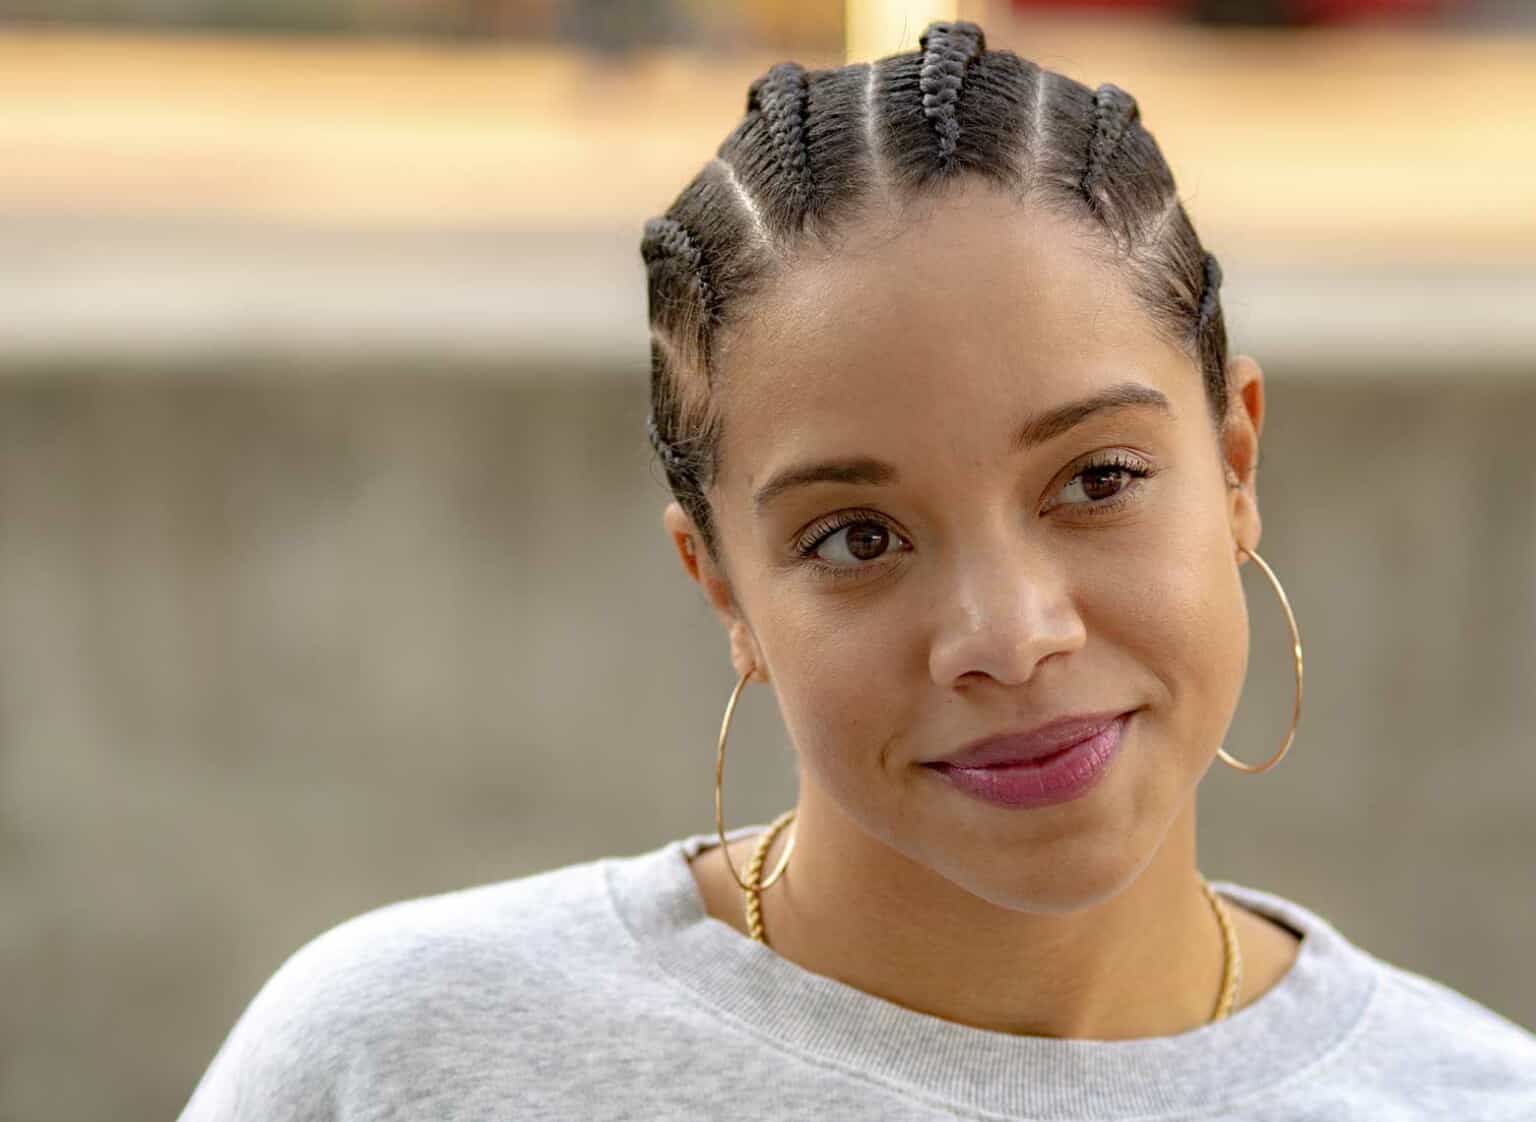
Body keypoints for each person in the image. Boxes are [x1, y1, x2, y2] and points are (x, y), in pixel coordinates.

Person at [177, 20, 1536, 1120]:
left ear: (1236, 461)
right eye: (856, 538)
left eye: (1097, 480)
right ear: (721, 587)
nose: (1008, 633)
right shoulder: (407, 1061)